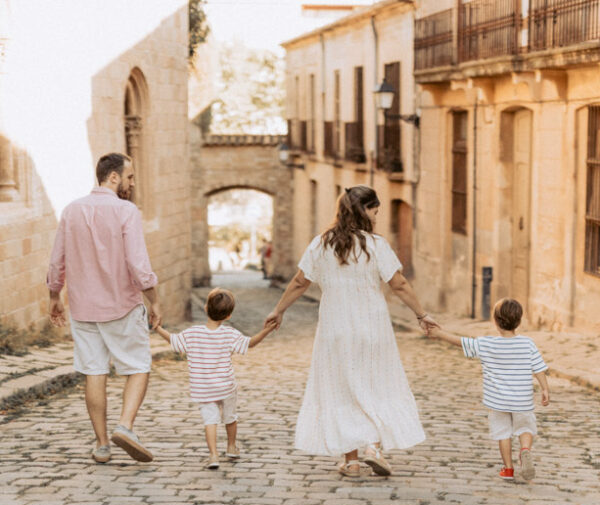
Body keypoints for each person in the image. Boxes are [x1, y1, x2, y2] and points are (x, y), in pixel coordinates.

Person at [265, 186, 437, 477]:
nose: (376, 217)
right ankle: (373, 446)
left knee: (342, 390)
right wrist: (421, 314)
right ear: (365, 211)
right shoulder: (376, 245)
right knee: (375, 386)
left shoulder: (321, 244)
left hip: (335, 329)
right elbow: (400, 284)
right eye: (375, 211)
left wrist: (278, 309)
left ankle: (352, 461)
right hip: (373, 328)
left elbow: (298, 282)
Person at [47, 152, 161, 464]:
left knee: (94, 371)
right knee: (138, 366)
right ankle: (125, 427)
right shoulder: (127, 211)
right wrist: (154, 299)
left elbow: (57, 259)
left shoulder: (71, 210)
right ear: (113, 177)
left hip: (83, 308)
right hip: (121, 305)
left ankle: (101, 445)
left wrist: (54, 296)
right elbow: (138, 264)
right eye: (130, 177)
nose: (132, 183)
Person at [427, 298, 550, 481]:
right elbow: (538, 368)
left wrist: (439, 333)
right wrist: (545, 389)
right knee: (525, 428)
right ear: (519, 321)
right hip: (522, 400)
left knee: (503, 434)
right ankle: (525, 450)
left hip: (498, 401)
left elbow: (461, 342)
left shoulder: (487, 344)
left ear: (495, 321)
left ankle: (508, 469)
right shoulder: (527, 343)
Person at [155, 288, 276, 469]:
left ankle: (213, 455)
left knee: (210, 421)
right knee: (230, 417)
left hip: (203, 389)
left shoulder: (193, 333)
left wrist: (157, 328)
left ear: (205, 308)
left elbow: (173, 340)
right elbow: (249, 343)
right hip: (226, 387)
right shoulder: (229, 334)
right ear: (228, 316)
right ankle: (231, 447)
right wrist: (266, 331)